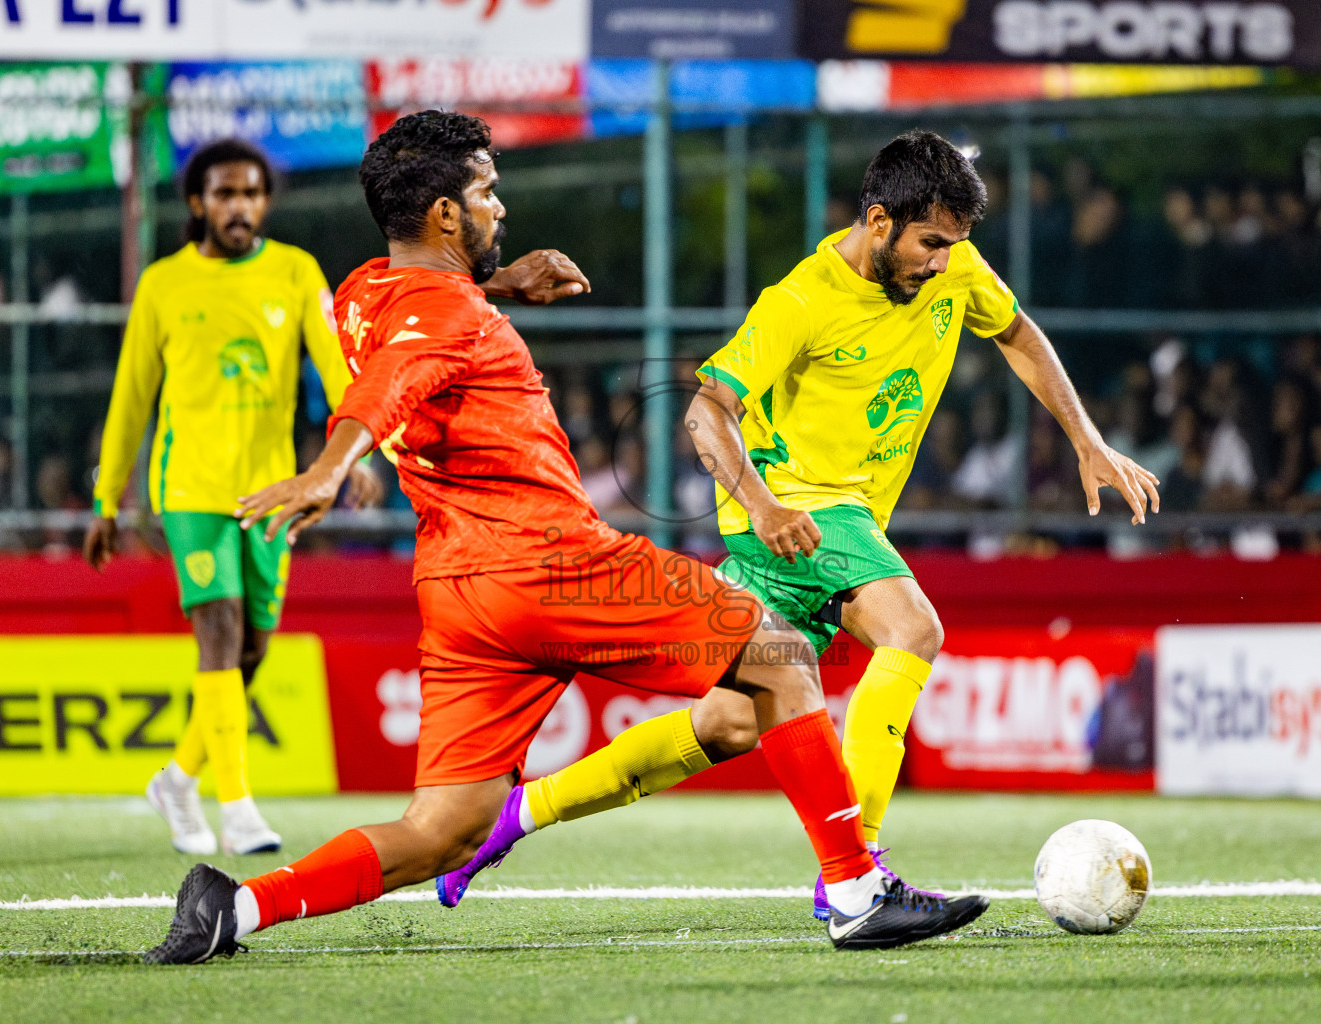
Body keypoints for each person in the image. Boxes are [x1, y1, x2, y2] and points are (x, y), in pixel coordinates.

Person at [145, 111, 987, 965]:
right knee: (782, 660)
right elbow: (395, 379)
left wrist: (499, 281)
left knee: (442, 829)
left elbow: (411, 333)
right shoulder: (450, 318)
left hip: (461, 593)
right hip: (554, 562)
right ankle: (855, 890)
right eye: (486, 192)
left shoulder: (366, 292)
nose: (500, 207)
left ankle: (237, 907)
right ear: (445, 214)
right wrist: (331, 466)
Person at [435, 130, 1160, 921]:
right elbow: (705, 412)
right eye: (930, 243)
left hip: (811, 528)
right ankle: (859, 877)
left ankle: (515, 815)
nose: (944, 262)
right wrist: (765, 504)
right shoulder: (802, 300)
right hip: (796, 509)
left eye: (954, 245)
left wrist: (1087, 441)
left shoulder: (953, 267)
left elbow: (1018, 333)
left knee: (727, 724)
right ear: (878, 222)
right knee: (913, 630)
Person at [86, 139, 373, 857]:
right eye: (224, 194)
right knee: (218, 630)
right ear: (198, 203)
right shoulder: (163, 284)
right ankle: (238, 808)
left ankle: (178, 779)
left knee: (251, 649)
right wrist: (106, 500)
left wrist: (356, 453)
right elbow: (131, 397)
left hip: (272, 491)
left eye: (250, 193)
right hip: (190, 487)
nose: (238, 206)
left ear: (264, 202)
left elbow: (337, 368)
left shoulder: (295, 271)